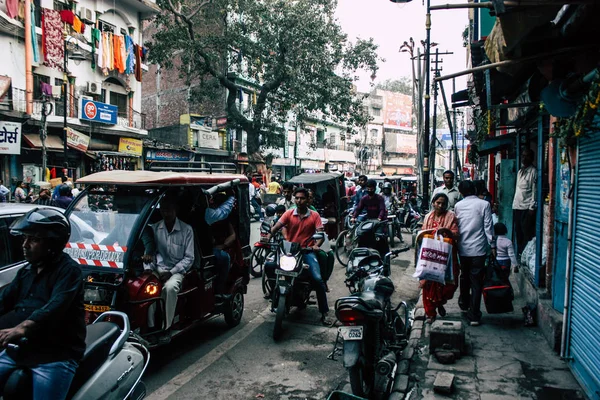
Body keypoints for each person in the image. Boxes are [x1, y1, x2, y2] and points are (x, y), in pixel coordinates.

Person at [0, 208, 85, 400]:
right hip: (20, 351)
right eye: (25, 238)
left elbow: (55, 306)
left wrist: (23, 327)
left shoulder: (69, 272)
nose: (25, 245)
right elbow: (5, 300)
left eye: (34, 240)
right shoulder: (26, 272)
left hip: (54, 356)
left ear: (52, 244)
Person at [270, 188, 331, 325]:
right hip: (289, 252)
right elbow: (277, 227)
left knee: (317, 279)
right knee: (270, 266)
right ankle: (273, 295)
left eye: (302, 198)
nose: (299, 201)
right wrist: (268, 236)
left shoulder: (314, 215)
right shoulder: (289, 213)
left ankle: (324, 312)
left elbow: (320, 234)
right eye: (296, 198)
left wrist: (316, 245)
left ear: (307, 200)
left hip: (306, 251)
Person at [142, 195, 195, 337]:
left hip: (176, 271)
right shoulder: (154, 228)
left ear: (175, 210)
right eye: (164, 210)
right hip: (158, 269)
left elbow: (189, 258)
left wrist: (171, 272)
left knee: (169, 288)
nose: (166, 213)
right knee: (147, 288)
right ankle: (151, 327)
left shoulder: (186, 230)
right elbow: (150, 253)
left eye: (169, 210)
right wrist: (149, 268)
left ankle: (167, 327)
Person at [454, 180, 494, 326]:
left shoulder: (458, 206)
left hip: (463, 249)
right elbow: (488, 227)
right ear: (475, 189)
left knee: (464, 277)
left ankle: (464, 303)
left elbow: (457, 225)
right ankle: (474, 315)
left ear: (461, 192)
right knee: (476, 281)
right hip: (479, 249)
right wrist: (493, 246)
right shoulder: (484, 205)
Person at [419, 193, 460, 324]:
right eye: (438, 203)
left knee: (449, 285)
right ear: (433, 203)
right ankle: (430, 313)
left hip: (446, 255)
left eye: (443, 203)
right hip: (430, 255)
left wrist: (445, 232)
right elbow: (423, 232)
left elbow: (455, 234)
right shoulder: (428, 217)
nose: (440, 206)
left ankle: (439, 302)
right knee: (428, 284)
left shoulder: (451, 216)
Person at [512, 148, 536, 254]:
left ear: (532, 158)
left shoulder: (533, 172)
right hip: (517, 206)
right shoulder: (520, 171)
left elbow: (535, 191)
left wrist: (532, 208)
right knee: (519, 234)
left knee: (527, 234)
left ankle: (525, 255)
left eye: (527, 156)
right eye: (523, 155)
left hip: (526, 208)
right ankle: (520, 254)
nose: (524, 158)